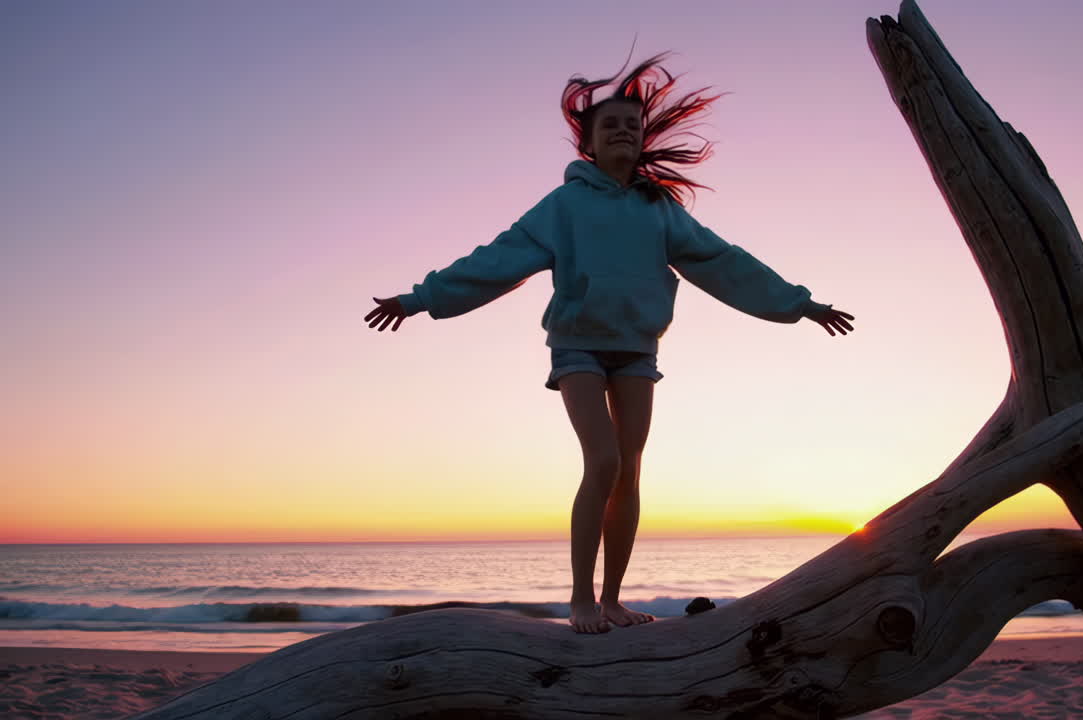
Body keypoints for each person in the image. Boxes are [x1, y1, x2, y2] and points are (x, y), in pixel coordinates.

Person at [364, 52, 854, 634]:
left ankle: (614, 599)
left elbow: (723, 262)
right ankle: (580, 600)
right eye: (610, 126)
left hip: (638, 350)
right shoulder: (564, 205)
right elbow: (497, 259)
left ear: (642, 140)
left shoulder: (658, 209)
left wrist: (800, 305)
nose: (623, 131)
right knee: (602, 460)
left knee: (630, 471)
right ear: (589, 145)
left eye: (632, 125)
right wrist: (421, 298)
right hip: (578, 346)